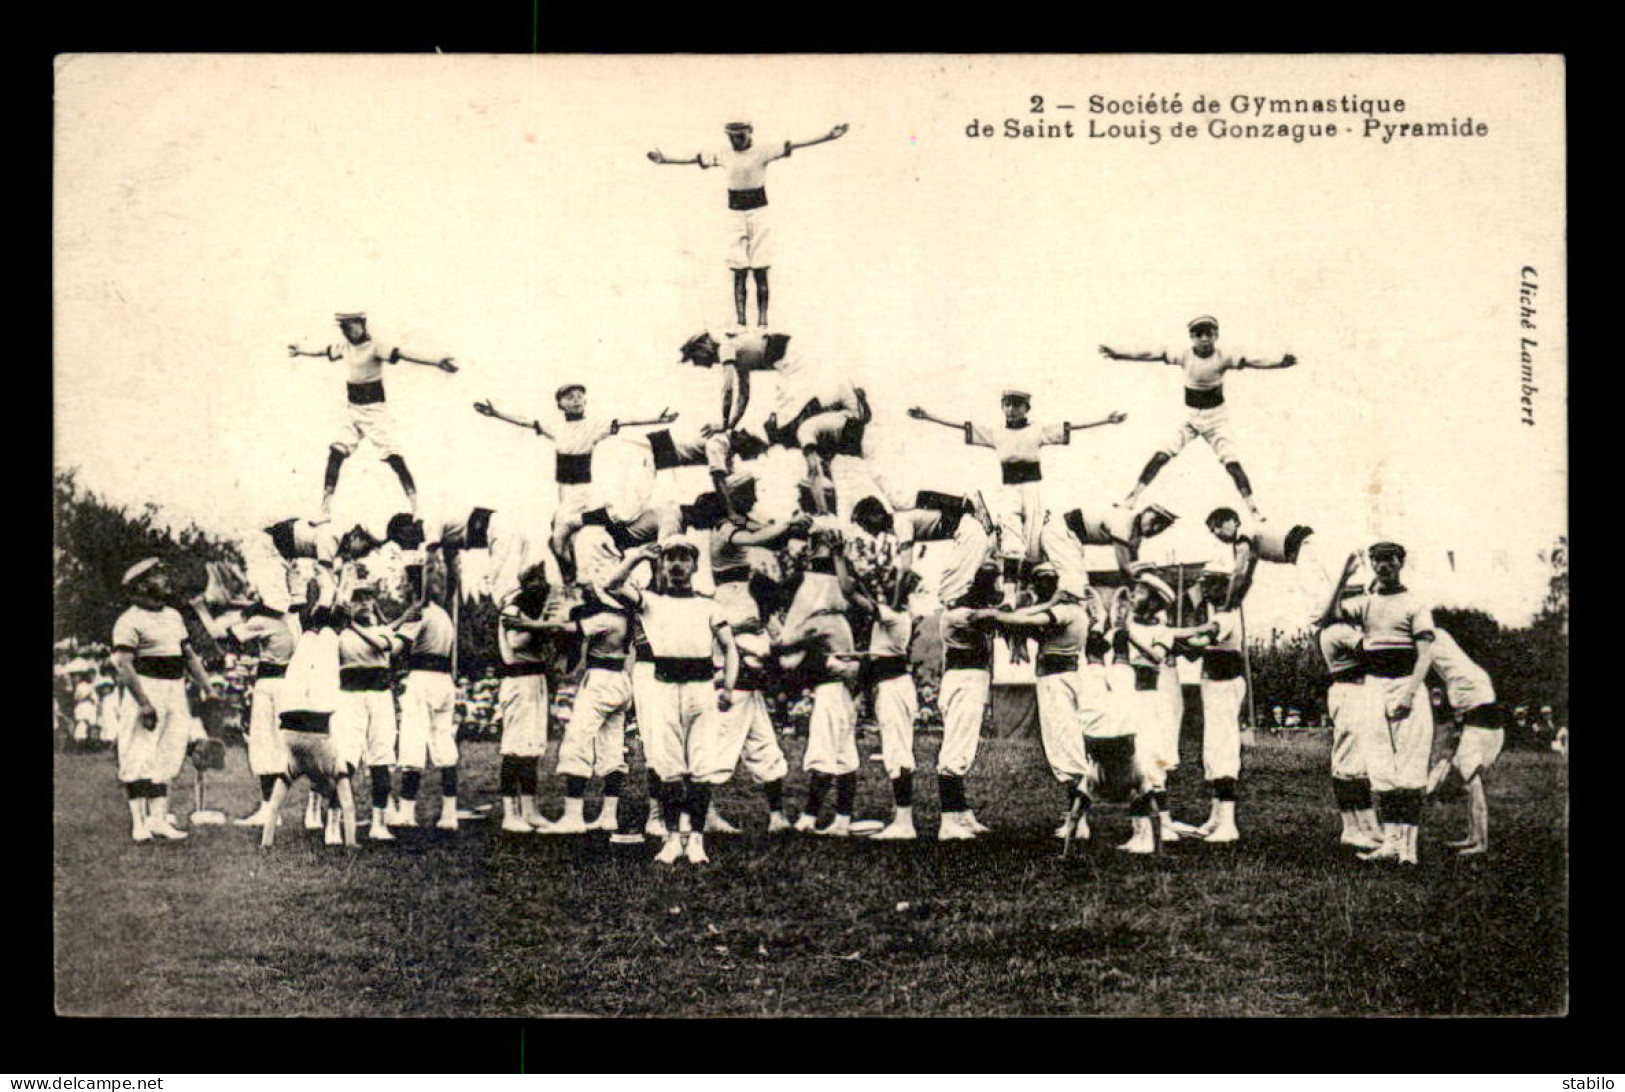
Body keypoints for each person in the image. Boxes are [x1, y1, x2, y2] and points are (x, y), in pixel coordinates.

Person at [908, 392, 1126, 601]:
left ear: (1026, 408)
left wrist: (1106, 420)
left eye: (1017, 405)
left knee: (1035, 537)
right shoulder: (996, 433)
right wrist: (928, 416)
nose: (1011, 409)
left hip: (1033, 491)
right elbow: (963, 425)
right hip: (1010, 490)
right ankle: (1010, 594)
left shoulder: (1037, 431)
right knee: (1010, 535)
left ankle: (1059, 585)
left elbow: (1070, 426)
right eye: (1007, 404)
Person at [603, 540, 738, 866]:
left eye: (684, 559)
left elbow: (730, 648)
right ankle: (674, 838)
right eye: (671, 559)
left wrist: (728, 689)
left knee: (701, 767)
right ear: (662, 566)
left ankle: (697, 840)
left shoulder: (709, 606)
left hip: (701, 690)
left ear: (694, 566)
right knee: (669, 767)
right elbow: (612, 584)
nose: (677, 565)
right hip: (664, 689)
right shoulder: (650, 602)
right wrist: (636, 556)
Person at [648, 120, 850, 327]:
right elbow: (695, 159)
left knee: (760, 268)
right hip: (735, 214)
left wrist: (828, 135)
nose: (736, 141)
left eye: (740, 137)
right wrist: (664, 160)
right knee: (739, 269)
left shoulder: (763, 151)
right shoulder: (724, 154)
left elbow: (795, 144)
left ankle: (763, 323)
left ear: (749, 134)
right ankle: (741, 323)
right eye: (732, 137)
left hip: (759, 213)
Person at [1103, 316, 1298, 521]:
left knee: (1232, 464)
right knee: (1161, 456)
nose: (1204, 340)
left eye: (1209, 334)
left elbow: (1252, 361)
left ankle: (1254, 510)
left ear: (1216, 336)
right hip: (1189, 417)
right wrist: (1119, 354)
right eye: (1199, 335)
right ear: (1191, 337)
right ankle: (1132, 497)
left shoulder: (1224, 356)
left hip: (1217, 420)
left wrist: (1278, 363)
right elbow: (1152, 354)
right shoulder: (1184, 355)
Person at [473, 390, 676, 583]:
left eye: (579, 396)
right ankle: (570, 576)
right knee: (556, 534)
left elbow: (625, 420)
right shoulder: (556, 427)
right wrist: (496, 413)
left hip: (586, 490)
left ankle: (580, 577)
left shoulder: (593, 425)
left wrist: (658, 418)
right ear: (560, 404)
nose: (576, 400)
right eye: (569, 397)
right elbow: (525, 421)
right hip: (565, 489)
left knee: (568, 534)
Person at [288, 311, 458, 518]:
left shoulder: (376, 346)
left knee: (394, 458)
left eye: (351, 326)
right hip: (353, 410)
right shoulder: (345, 347)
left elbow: (405, 354)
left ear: (362, 324)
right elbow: (323, 351)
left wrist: (437, 361)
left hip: (376, 411)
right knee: (335, 454)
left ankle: (417, 508)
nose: (348, 331)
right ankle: (324, 511)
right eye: (344, 327)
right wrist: (300, 351)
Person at [980, 564, 1098, 837]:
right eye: (1039, 581)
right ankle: (1076, 816)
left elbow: (1026, 621)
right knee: (1063, 745)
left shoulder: (1064, 611)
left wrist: (995, 615)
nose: (1042, 586)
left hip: (1057, 681)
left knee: (1066, 748)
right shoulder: (1066, 611)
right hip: (1056, 679)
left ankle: (1079, 820)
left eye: (1048, 581)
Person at [1338, 542, 1435, 866]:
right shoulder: (1364, 603)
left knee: (1409, 767)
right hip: (1374, 688)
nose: (1383, 566)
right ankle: (1391, 843)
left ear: (1401, 562)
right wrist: (1343, 576)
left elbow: (1425, 655)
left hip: (1406, 684)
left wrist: (1409, 693)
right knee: (1380, 766)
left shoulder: (1415, 603)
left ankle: (1410, 849)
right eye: (1376, 561)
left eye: (1389, 560)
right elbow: (1325, 615)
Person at [110, 559, 214, 843]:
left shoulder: (173, 616)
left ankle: (158, 820)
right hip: (145, 688)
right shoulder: (129, 620)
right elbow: (124, 665)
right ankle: (139, 823)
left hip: (174, 689)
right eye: (158, 575)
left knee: (168, 752)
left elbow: (188, 656)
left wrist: (208, 688)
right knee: (138, 752)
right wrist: (143, 702)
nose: (165, 579)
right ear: (143, 584)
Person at [260, 569, 360, 850]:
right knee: (310, 644)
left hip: (310, 714)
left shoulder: (320, 766)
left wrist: (266, 843)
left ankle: (327, 593)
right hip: (293, 715)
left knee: (317, 642)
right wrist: (351, 844)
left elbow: (274, 807)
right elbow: (347, 807)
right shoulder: (318, 765)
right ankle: (324, 593)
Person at [776, 528, 865, 837]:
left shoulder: (822, 618)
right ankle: (841, 819)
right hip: (842, 689)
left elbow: (786, 651)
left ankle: (811, 817)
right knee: (843, 752)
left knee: (826, 752)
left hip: (832, 688)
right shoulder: (838, 617)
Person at [536, 583, 635, 836]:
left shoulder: (606, 618)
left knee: (576, 743)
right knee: (612, 746)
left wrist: (529, 624)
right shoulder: (627, 617)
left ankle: (573, 816)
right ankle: (609, 815)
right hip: (621, 679)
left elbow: (565, 629)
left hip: (600, 680)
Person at [841, 567, 922, 841]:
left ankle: (904, 822)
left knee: (897, 752)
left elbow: (850, 593)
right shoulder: (892, 615)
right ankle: (902, 817)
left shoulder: (894, 616)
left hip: (893, 688)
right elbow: (860, 591)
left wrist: (841, 561)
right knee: (897, 750)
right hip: (894, 685)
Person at [390, 561, 467, 831]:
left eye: (405, 581)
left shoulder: (417, 614)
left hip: (422, 680)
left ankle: (407, 813)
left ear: (413, 585)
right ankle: (449, 814)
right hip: (445, 682)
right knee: (444, 745)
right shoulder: (443, 614)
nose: (402, 586)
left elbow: (393, 650)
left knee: (413, 743)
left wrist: (392, 626)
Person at [1169, 570, 1245, 843]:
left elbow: (1199, 641)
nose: (1208, 591)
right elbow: (1195, 648)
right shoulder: (1218, 614)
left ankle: (1228, 823)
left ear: (1226, 587)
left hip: (1224, 686)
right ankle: (1217, 817)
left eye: (1214, 585)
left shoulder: (1224, 617)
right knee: (1213, 748)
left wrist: (1164, 635)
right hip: (1213, 687)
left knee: (1223, 749)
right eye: (1206, 585)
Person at [1314, 553, 1382, 850]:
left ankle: (1367, 826)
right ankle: (1351, 827)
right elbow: (1375, 653)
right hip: (1349, 691)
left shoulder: (1345, 628)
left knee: (1359, 763)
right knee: (1348, 764)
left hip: (1357, 692)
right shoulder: (1338, 630)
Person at [934, 563, 1003, 840]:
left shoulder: (969, 610)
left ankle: (960, 812)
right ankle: (949, 820)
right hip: (964, 680)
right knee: (956, 750)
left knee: (962, 744)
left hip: (970, 679)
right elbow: (996, 617)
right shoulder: (961, 614)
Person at [1423, 628, 1504, 856]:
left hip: (1478, 707)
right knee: (1469, 778)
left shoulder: (1429, 637)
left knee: (1471, 780)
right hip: (1478, 703)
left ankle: (1481, 842)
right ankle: (1474, 836)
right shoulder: (1438, 637)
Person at [332, 589, 401, 842]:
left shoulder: (382, 631)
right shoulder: (340, 636)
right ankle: (333, 824)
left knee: (381, 757)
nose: (361, 604)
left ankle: (378, 823)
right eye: (356, 600)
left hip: (380, 699)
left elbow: (383, 645)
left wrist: (351, 624)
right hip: (350, 699)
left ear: (373, 604)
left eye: (366, 599)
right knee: (345, 757)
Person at [851, 491, 995, 608]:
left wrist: (894, 602)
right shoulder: (899, 523)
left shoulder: (900, 523)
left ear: (876, 516)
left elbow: (905, 568)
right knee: (955, 589)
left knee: (951, 594)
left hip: (968, 531)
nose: (865, 528)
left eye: (865, 522)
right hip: (966, 531)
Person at [1205, 507, 1334, 627]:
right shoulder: (1248, 541)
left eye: (1219, 525)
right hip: (1306, 547)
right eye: (1212, 530)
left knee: (1317, 609)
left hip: (1304, 546)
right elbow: (1247, 578)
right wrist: (1237, 601)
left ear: (1234, 521)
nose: (1217, 532)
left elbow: (1238, 574)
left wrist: (1227, 606)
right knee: (1321, 598)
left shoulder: (1243, 535)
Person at [1038, 502, 1178, 592]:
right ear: (1146, 512)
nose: (1155, 528)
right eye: (1155, 521)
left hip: (1071, 538)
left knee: (1071, 580)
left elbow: (1133, 564)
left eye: (1161, 527)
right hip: (1061, 532)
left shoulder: (1136, 534)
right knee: (1075, 582)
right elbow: (1126, 568)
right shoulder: (1124, 522)